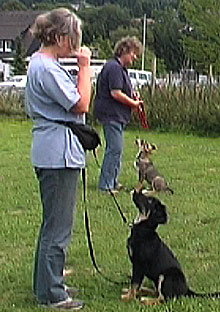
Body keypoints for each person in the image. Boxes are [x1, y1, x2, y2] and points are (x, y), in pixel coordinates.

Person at [25, 8, 91, 310]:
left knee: (51, 224)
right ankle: (54, 294)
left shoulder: (40, 64)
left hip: (52, 149)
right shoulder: (47, 68)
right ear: (61, 37)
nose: (75, 46)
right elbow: (81, 103)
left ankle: (46, 284)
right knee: (59, 227)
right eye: (73, 39)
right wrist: (85, 66)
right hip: (57, 155)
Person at [94, 36, 143, 193]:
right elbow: (115, 93)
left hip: (117, 116)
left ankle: (113, 181)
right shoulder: (114, 68)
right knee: (114, 149)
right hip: (111, 115)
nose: (135, 58)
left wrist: (133, 94)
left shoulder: (120, 69)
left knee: (117, 149)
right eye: (134, 54)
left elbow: (123, 89)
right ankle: (106, 184)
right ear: (124, 51)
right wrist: (133, 104)